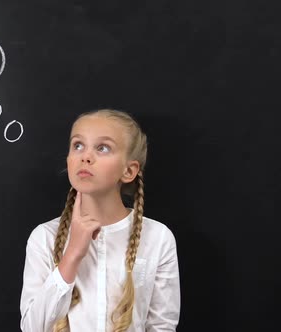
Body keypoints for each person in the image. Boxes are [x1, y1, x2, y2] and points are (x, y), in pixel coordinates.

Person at [20, 109, 180, 332]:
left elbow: (161, 325)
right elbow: (32, 328)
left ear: (129, 171)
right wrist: (72, 254)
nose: (85, 156)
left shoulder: (158, 237)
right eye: (78, 145)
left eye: (102, 148)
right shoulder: (44, 237)